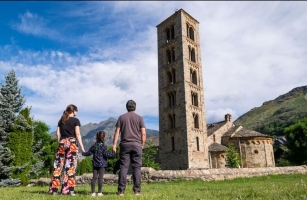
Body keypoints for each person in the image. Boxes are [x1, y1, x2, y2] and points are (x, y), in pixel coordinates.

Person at [48, 104, 85, 196]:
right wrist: (82, 147)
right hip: (72, 144)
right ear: (74, 111)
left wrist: (59, 143)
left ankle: (54, 190)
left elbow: (57, 133)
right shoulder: (76, 120)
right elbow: (77, 134)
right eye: (76, 110)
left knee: (58, 166)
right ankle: (67, 190)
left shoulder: (61, 120)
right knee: (70, 167)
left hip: (62, 143)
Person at [112, 100, 146, 196]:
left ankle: (121, 191)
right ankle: (137, 191)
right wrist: (142, 144)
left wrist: (114, 144)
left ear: (126, 107)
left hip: (125, 145)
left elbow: (117, 132)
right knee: (137, 168)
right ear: (135, 107)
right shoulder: (140, 118)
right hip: (136, 145)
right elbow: (143, 133)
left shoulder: (121, 117)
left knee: (123, 167)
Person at [82, 130, 115, 196]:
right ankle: (99, 192)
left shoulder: (94, 146)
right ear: (104, 137)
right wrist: (113, 152)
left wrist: (83, 152)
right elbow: (107, 154)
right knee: (100, 178)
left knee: (94, 178)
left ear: (97, 137)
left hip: (95, 164)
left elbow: (88, 153)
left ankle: (93, 192)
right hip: (102, 164)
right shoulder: (104, 146)